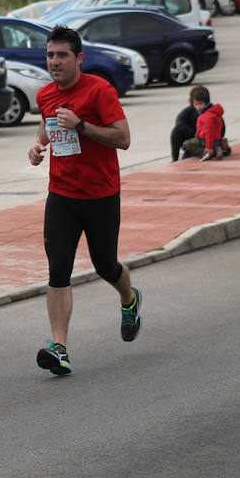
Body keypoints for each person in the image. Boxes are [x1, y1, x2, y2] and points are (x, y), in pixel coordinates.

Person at [27, 25, 143, 376]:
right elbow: (46, 128)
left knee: (105, 265)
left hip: (101, 194)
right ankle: (59, 348)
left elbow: (123, 139)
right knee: (57, 270)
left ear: (79, 58)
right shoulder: (45, 94)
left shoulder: (99, 90)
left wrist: (81, 126)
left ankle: (129, 297)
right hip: (61, 195)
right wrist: (37, 147)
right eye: (50, 55)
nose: (54, 62)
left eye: (62, 55)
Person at [171, 85, 230, 162]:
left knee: (188, 144)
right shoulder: (189, 111)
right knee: (177, 132)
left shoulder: (210, 113)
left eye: (200, 103)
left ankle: (211, 151)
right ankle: (175, 159)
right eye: (196, 104)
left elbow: (217, 130)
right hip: (200, 137)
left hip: (208, 138)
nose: (198, 106)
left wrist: (209, 144)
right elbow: (179, 125)